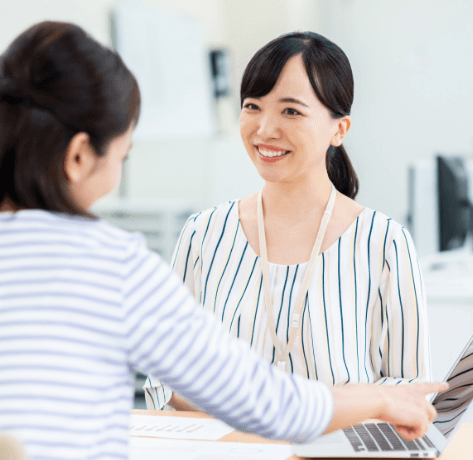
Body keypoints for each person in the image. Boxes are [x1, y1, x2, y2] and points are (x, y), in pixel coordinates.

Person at [0, 21, 446, 460]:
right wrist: (382, 402)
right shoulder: (112, 263)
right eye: (123, 154)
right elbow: (271, 404)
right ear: (80, 155)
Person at [145, 32, 431, 411]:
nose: (264, 130)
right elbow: (163, 380)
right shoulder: (204, 234)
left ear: (339, 129)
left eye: (291, 111)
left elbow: (408, 387)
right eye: (252, 106)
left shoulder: (384, 243)